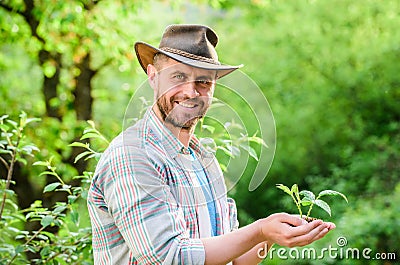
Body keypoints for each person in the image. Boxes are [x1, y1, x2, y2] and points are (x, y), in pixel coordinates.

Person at [87, 24, 335, 265]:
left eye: (203, 82)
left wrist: (272, 235)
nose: (191, 92)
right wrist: (259, 230)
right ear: (153, 77)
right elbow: (169, 258)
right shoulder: (133, 156)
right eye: (178, 77)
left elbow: (234, 259)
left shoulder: (204, 160)